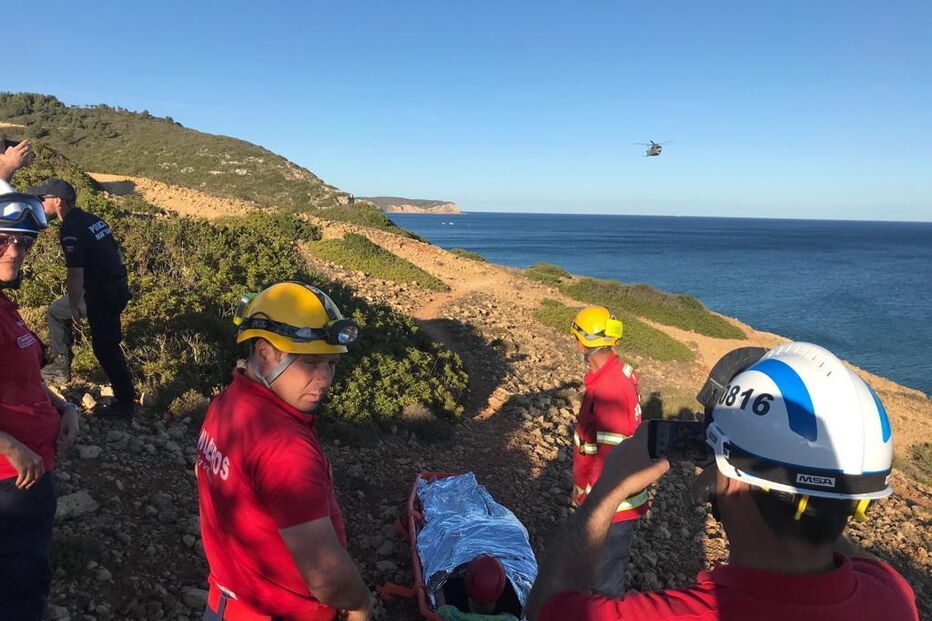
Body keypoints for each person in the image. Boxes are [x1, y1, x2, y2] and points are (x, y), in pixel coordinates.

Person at [527, 342, 919, 621]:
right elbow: (825, 499)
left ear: (732, 483)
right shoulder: (892, 594)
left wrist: (609, 488)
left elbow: (548, 604)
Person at [196, 281, 371, 621]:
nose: (324, 380)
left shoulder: (227, 404)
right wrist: (361, 603)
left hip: (226, 605)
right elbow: (325, 576)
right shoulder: (285, 446)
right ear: (264, 352)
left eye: (331, 365)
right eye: (309, 363)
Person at [0, 160, 80, 619]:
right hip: (8, 480)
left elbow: (24, 377)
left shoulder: (5, 306)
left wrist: (62, 404)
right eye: (2, 240)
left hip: (29, 471)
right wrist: (9, 445)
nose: (15, 251)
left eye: (23, 242)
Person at [26, 177, 135, 419]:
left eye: (42, 199)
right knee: (56, 312)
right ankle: (61, 366)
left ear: (57, 201)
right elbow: (115, 251)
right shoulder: (92, 219)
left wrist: (75, 305)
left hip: (101, 292)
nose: (40, 204)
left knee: (105, 347)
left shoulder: (71, 229)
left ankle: (126, 404)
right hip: (111, 287)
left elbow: (75, 273)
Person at [568, 306, 647, 596]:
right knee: (598, 569)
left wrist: (591, 499)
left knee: (606, 578)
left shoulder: (610, 388)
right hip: (611, 499)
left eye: (575, 337)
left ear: (584, 342)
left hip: (612, 504)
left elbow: (610, 458)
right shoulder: (614, 375)